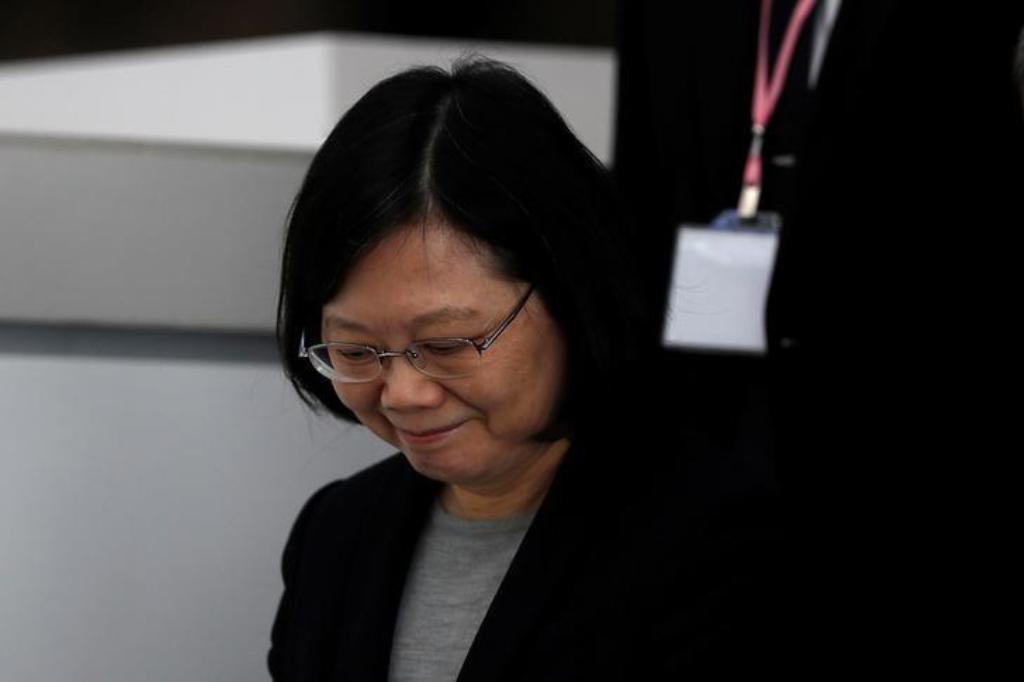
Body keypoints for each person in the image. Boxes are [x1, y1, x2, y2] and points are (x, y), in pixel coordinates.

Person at [268, 57, 790, 681]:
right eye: (354, 352)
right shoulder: (338, 535)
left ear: (568, 293)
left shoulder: (717, 542)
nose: (404, 393)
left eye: (448, 344)